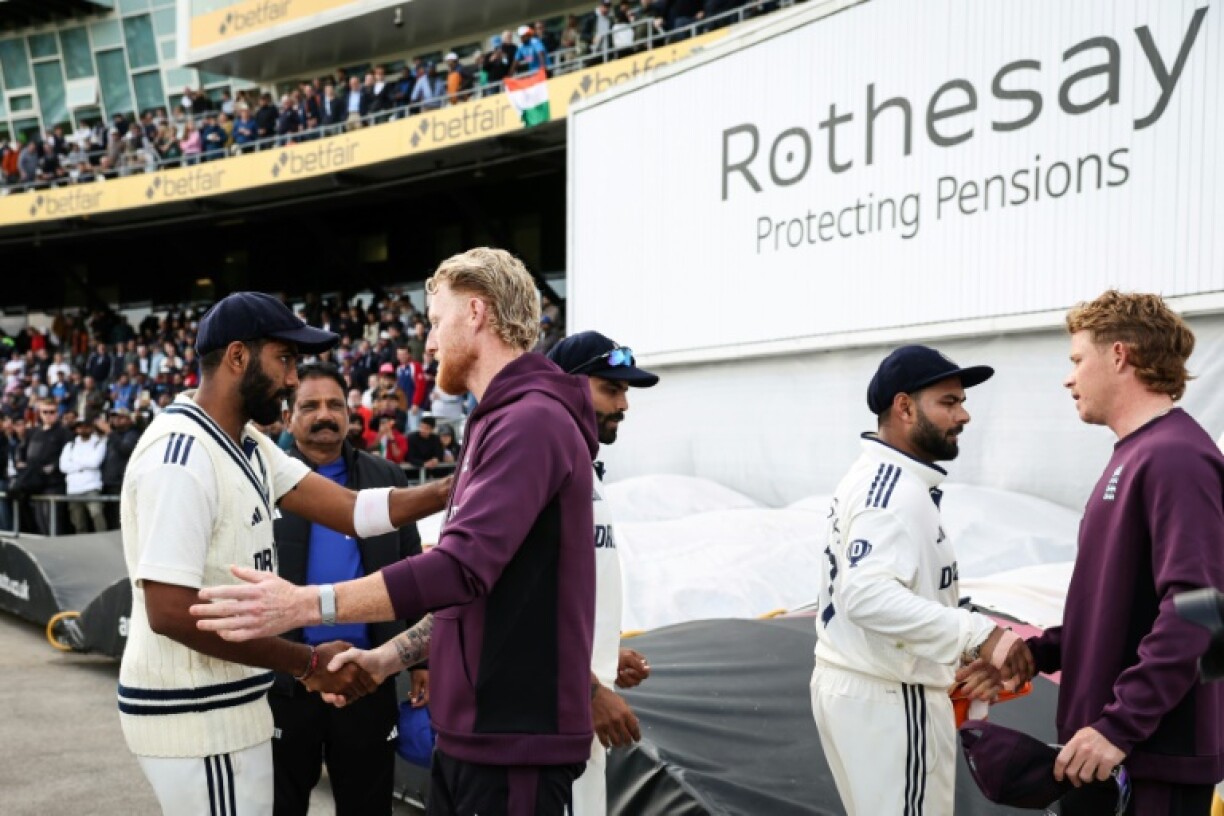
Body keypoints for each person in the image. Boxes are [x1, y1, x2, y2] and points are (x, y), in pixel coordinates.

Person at [193, 248, 600, 816]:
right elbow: (474, 589)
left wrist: (307, 605)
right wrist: (385, 660)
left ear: (477, 313)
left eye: (436, 322)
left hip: (514, 738)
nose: (429, 343)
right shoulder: (501, 420)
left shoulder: (530, 421)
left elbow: (457, 567)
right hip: (476, 736)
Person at [118, 291, 449, 816]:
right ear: (237, 357)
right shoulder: (180, 457)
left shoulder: (247, 442)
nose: (294, 380)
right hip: (198, 718)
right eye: (286, 360)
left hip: (234, 706)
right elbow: (169, 612)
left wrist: (454, 488)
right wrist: (307, 661)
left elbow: (352, 509)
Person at [809, 345, 1034, 816]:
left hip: (869, 688)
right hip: (891, 696)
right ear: (904, 407)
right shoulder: (892, 491)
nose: (965, 415)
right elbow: (866, 595)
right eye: (949, 402)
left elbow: (906, 591)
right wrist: (982, 635)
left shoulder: (887, 480)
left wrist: (965, 647)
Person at [1026, 291, 1224, 816]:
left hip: (1145, 757)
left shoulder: (1177, 459)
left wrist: (1119, 725)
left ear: (1118, 355)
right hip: (1106, 753)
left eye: (1076, 360)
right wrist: (1037, 653)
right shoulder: (1136, 456)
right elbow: (1114, 608)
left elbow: (1202, 608)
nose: (1068, 379)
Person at [269, 362, 431, 816]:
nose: (325, 414)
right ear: (287, 419)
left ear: (349, 412)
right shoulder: (261, 483)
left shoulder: (388, 478)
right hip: (289, 680)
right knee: (280, 805)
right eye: (310, 406)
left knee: (368, 806)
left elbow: (416, 571)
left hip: (368, 677)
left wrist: (423, 661)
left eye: (334, 405)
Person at [547, 331, 656, 816]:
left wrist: (606, 655)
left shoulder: (582, 465)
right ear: (569, 386)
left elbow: (571, 588)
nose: (625, 404)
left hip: (576, 700)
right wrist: (587, 688)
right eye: (611, 388)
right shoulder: (546, 464)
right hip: (554, 713)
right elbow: (523, 603)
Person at [58, 417, 108, 533]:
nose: (83, 429)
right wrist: (84, 464)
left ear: (91, 428)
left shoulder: (98, 443)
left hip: (92, 487)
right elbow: (63, 466)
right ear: (76, 429)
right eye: (80, 426)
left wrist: (74, 463)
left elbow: (95, 462)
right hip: (73, 489)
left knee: (97, 515)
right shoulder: (70, 446)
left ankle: (104, 542)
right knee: (78, 522)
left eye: (86, 426)